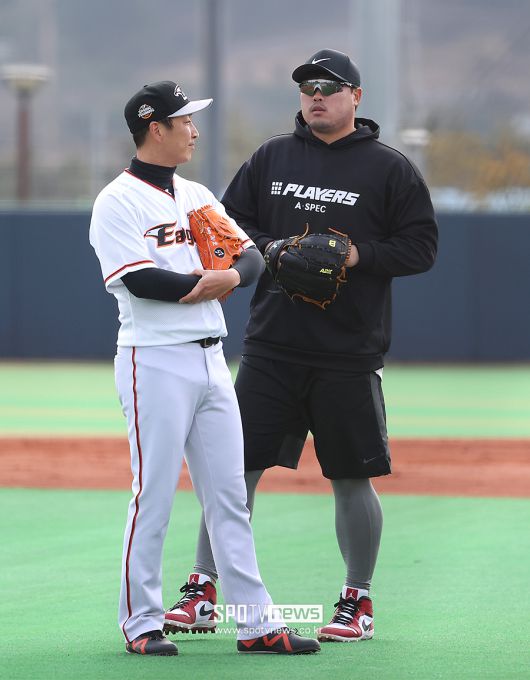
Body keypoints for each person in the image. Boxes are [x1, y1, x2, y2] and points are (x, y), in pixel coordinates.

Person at [167, 49, 438, 643]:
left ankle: (357, 600)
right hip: (273, 345)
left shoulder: (389, 168)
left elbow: (421, 247)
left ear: (355, 97)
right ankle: (205, 588)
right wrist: (272, 250)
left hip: (349, 351)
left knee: (350, 477)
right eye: (308, 86)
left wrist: (358, 254)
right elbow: (225, 225)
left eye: (329, 86)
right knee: (235, 472)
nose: (316, 94)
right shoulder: (272, 156)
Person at [89, 80, 320, 656]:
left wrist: (232, 276)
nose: (194, 130)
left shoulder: (195, 194)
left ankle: (256, 623)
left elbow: (250, 256)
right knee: (154, 495)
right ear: (156, 128)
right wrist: (207, 285)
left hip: (212, 359)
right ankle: (141, 622)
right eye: (184, 121)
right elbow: (138, 280)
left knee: (229, 496)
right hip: (154, 359)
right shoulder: (116, 201)